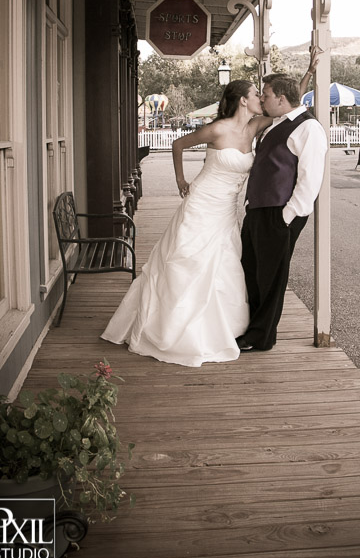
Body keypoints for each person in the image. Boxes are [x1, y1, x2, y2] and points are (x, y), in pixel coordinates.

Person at [101, 57, 317, 367]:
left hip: (227, 209)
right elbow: (178, 144)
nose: (262, 98)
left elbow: (289, 105)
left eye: (264, 94)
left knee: (224, 265)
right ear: (243, 100)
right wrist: (180, 180)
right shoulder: (217, 129)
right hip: (202, 202)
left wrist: (308, 72)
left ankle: (222, 326)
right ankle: (174, 325)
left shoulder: (256, 126)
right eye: (256, 94)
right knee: (187, 261)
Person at [236, 71, 328, 353]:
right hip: (258, 211)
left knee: (271, 278)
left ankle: (261, 337)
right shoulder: (276, 123)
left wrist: (286, 216)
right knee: (251, 271)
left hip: (279, 213)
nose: (262, 99)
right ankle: (251, 328)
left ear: (281, 98)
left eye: (265, 95)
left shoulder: (308, 128)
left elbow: (309, 180)